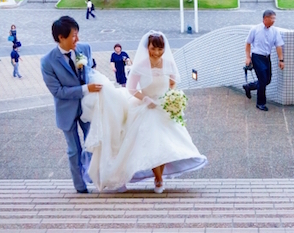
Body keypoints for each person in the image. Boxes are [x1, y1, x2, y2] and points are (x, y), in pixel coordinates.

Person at [82, 31, 207, 193]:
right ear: (147, 47)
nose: (156, 53)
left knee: (165, 145)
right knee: (153, 143)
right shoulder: (140, 66)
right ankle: (159, 179)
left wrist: (171, 98)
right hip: (145, 107)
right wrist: (145, 99)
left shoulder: (168, 64)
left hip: (163, 107)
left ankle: (159, 178)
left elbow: (172, 83)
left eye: (160, 49)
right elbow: (131, 88)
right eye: (153, 49)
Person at [41, 16, 102, 193]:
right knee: (74, 150)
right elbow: (58, 92)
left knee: (93, 143)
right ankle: (80, 186)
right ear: (61, 37)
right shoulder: (47, 61)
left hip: (87, 107)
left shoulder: (85, 49)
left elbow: (90, 72)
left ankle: (93, 176)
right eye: (74, 36)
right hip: (66, 111)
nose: (78, 39)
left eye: (78, 34)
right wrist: (85, 88)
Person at [244, 9, 284, 112]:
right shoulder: (255, 29)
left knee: (267, 80)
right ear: (265, 19)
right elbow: (248, 43)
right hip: (257, 57)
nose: (274, 20)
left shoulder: (275, 31)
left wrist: (281, 60)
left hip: (267, 58)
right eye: (272, 18)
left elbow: (278, 45)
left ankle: (249, 87)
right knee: (262, 81)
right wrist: (248, 57)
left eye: (274, 18)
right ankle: (260, 103)